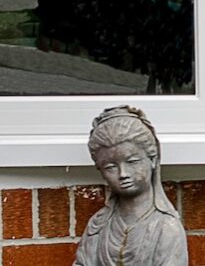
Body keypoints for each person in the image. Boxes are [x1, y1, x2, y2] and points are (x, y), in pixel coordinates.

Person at [74, 106, 187, 266]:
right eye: (110, 167)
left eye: (132, 162)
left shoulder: (166, 228)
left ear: (152, 160)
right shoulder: (98, 226)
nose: (123, 173)